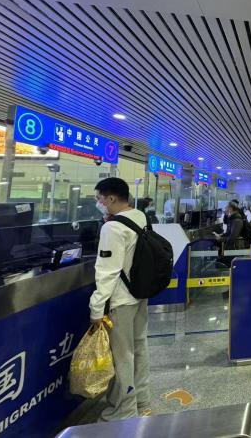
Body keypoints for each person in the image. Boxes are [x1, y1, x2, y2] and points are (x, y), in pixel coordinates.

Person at [89, 177, 150, 420]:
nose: (98, 203)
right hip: (139, 294)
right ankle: (142, 400)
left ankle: (123, 411)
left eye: (99, 199)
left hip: (121, 301)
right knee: (139, 347)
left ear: (111, 198)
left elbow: (107, 271)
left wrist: (96, 308)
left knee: (122, 356)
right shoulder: (139, 216)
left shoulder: (112, 228)